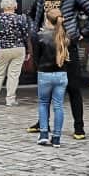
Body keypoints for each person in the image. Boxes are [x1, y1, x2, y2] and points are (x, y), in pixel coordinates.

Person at [26, 0, 89, 140]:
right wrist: (34, 31)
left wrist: (81, 34)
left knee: (73, 87)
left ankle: (79, 127)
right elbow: (30, 14)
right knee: (46, 86)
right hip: (45, 45)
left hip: (66, 45)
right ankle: (42, 123)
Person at [32, 8, 70, 147]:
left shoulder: (40, 36)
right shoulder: (64, 36)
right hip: (61, 73)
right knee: (58, 106)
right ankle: (57, 137)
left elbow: (36, 58)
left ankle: (43, 134)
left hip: (45, 73)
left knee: (43, 103)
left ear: (47, 19)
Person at [0, 0, 29, 106]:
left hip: (3, 49)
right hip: (18, 48)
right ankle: (10, 100)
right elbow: (25, 35)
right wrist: (28, 51)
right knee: (13, 75)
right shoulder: (21, 18)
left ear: (2, 7)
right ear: (15, 6)